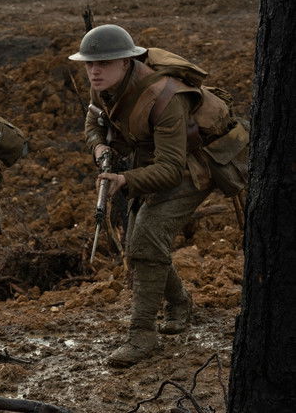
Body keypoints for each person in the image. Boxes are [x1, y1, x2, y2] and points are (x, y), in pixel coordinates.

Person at [68, 24, 248, 367]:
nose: (94, 70)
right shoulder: (102, 87)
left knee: (146, 239)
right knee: (141, 242)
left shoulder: (166, 98)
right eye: (89, 63)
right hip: (151, 160)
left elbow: (170, 169)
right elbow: (93, 122)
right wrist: (99, 147)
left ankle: (142, 335)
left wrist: (124, 178)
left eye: (103, 63)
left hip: (195, 164)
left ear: (126, 63)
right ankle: (180, 303)